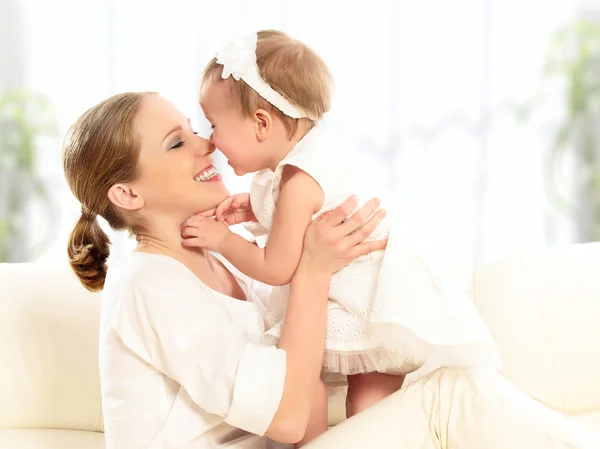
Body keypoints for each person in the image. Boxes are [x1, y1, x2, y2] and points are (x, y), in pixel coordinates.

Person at [63, 92, 598, 449]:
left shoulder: (224, 252)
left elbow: (308, 359)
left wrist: (292, 223)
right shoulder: (148, 282)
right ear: (127, 193)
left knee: (446, 386)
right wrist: (312, 273)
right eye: (177, 143)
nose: (207, 144)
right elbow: (290, 417)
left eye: (193, 129)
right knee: (450, 398)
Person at [187, 29, 497, 443]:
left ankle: (313, 442)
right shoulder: (313, 156)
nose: (210, 141)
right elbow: (309, 216)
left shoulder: (298, 181)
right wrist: (258, 211)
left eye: (214, 125)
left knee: (300, 375)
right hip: (387, 294)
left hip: (359, 296)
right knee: (370, 403)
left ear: (261, 123)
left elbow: (277, 267)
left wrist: (221, 239)